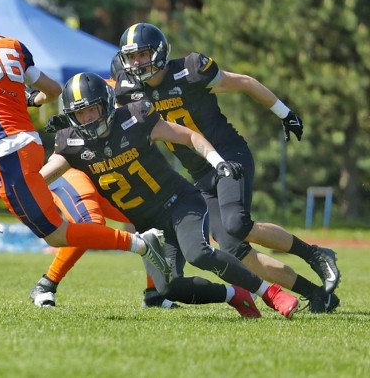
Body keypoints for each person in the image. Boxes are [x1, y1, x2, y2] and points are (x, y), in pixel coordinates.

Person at [0, 0, 167, 313]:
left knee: (58, 235)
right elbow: (54, 90)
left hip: (6, 150)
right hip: (22, 144)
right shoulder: (13, 45)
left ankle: (141, 243)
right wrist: (30, 100)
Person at [113, 23, 340, 312]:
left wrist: (285, 113)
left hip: (229, 155)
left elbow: (244, 82)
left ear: (159, 52)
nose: (136, 63)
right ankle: (318, 295)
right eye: (131, 57)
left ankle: (316, 255)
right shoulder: (129, 90)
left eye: (142, 55)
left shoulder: (191, 70)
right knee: (234, 249)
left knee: (237, 223)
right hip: (200, 173)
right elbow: (107, 110)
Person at [39, 71, 302, 318]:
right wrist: (19, 191)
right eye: (80, 113)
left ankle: (272, 293)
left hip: (180, 204)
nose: (87, 119)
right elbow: (45, 175)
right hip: (148, 225)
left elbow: (188, 137)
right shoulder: (71, 143)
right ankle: (234, 294)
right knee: (167, 289)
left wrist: (216, 160)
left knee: (198, 254)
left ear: (106, 105)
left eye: (92, 110)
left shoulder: (134, 119)